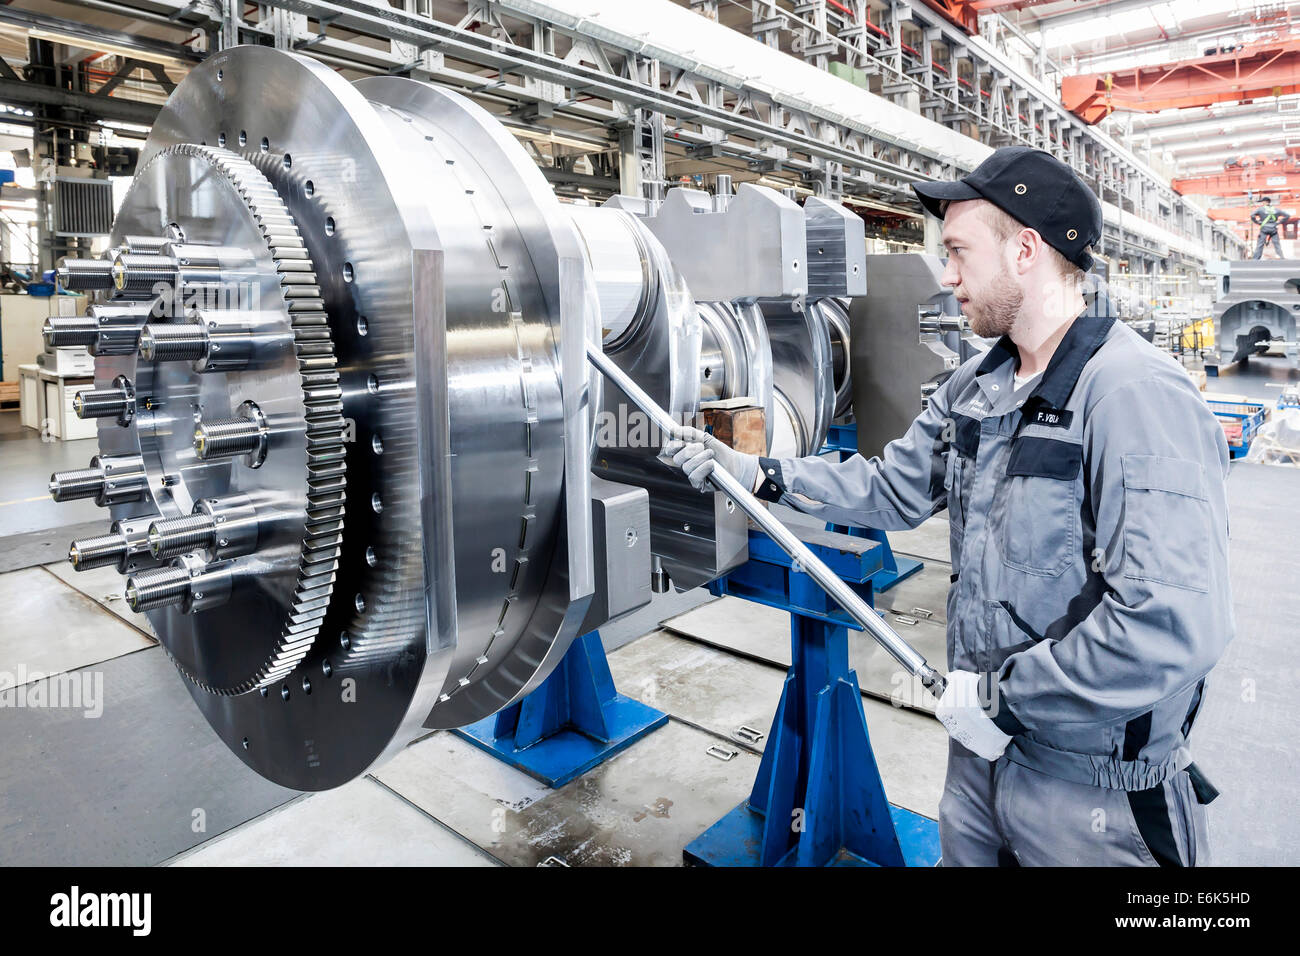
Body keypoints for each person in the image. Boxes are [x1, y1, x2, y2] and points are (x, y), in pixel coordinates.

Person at [665, 146, 1233, 866]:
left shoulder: (1133, 394)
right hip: (977, 761)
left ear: (1026, 250)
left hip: (1091, 799)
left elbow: (1171, 625)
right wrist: (759, 472)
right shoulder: (977, 387)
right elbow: (888, 489)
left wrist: (1006, 699)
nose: (947, 276)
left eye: (960, 252)